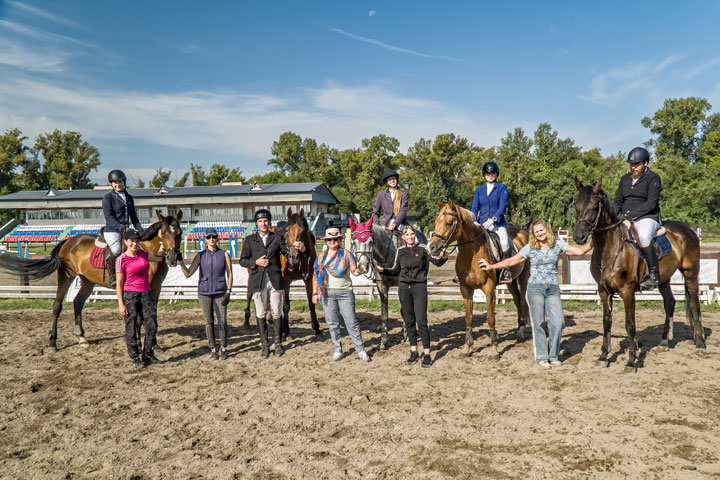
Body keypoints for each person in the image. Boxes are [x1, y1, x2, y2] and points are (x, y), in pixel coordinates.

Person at [479, 219, 592, 370]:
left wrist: (593, 241)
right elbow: (513, 260)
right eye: (536, 231)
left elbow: (580, 251)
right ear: (533, 233)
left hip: (552, 289)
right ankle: (542, 357)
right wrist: (492, 266)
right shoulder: (530, 247)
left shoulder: (558, 244)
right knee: (538, 323)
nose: (539, 233)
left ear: (547, 229)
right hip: (535, 288)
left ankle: (553, 355)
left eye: (541, 230)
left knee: (558, 323)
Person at [377, 225, 448, 367]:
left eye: (411, 234)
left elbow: (436, 262)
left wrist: (443, 257)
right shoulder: (400, 251)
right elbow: (395, 270)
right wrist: (383, 270)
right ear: (403, 237)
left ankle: (427, 353)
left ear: (414, 235)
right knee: (409, 321)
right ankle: (413, 351)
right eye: (407, 235)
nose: (410, 237)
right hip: (404, 289)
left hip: (419, 287)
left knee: (421, 321)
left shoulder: (422, 249)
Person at [312, 227, 371, 362]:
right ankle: (338, 349)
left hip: (345, 292)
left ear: (339, 240)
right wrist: (315, 293)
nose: (332, 241)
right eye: (329, 239)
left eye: (335, 239)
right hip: (327, 293)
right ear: (326, 241)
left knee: (351, 322)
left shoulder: (346, 254)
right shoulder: (321, 257)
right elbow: (315, 276)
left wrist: (360, 271)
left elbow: (354, 270)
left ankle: (360, 349)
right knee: (332, 323)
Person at [239, 209, 291, 358]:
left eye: (266, 221)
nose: (263, 223)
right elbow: (243, 260)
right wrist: (255, 262)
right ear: (256, 223)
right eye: (261, 221)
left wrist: (296, 250)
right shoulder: (249, 240)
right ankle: (265, 346)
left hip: (274, 280)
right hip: (258, 280)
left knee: (276, 311)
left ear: (269, 223)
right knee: (261, 313)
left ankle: (278, 344)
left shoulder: (277, 237)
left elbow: (286, 253)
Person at [178, 227, 233, 360]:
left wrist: (228, 291)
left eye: (214, 237)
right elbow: (188, 273)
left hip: (220, 291)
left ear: (217, 238)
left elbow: (230, 273)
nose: (211, 240)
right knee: (208, 322)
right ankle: (213, 348)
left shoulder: (224, 254)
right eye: (209, 237)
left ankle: (223, 348)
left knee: (223, 321)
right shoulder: (200, 255)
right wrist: (180, 261)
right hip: (204, 292)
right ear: (205, 239)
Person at [613, 146, 662, 290]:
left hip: (648, 216)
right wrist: (612, 215)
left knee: (644, 236)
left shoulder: (654, 178)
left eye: (636, 164)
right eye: (631, 164)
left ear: (645, 163)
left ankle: (653, 275)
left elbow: (651, 203)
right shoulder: (624, 179)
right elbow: (618, 201)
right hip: (626, 217)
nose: (633, 167)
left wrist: (630, 215)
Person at [115, 229, 166, 369]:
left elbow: (158, 258)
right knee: (131, 326)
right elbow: (119, 284)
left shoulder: (143, 254)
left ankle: (148, 354)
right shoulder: (121, 260)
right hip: (130, 295)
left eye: (137, 241)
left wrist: (162, 244)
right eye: (132, 241)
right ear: (126, 241)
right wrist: (121, 304)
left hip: (146, 293)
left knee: (152, 325)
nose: (135, 244)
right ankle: (135, 356)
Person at [471, 161, 512, 284]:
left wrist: (493, 219)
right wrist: (474, 221)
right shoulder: (479, 190)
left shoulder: (502, 188)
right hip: (481, 224)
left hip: (497, 224)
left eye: (493, 173)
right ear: (484, 174)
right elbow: (474, 208)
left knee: (505, 243)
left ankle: (506, 270)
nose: (490, 175)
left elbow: (502, 206)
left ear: (496, 174)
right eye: (488, 173)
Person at [102, 169, 143, 289]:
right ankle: (113, 278)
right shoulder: (108, 198)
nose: (117, 184)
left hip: (126, 230)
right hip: (112, 230)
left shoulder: (129, 197)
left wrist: (140, 230)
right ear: (111, 184)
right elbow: (109, 217)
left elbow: (133, 217)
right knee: (116, 249)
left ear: (123, 182)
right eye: (114, 182)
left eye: (119, 182)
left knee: (139, 248)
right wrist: (122, 228)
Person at [371, 169, 409, 233]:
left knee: (410, 233)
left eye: (394, 178)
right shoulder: (381, 194)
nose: (392, 181)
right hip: (385, 223)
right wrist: (377, 226)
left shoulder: (404, 194)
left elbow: (402, 211)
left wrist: (395, 223)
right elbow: (375, 212)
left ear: (396, 180)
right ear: (386, 182)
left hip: (400, 223)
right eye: (389, 179)